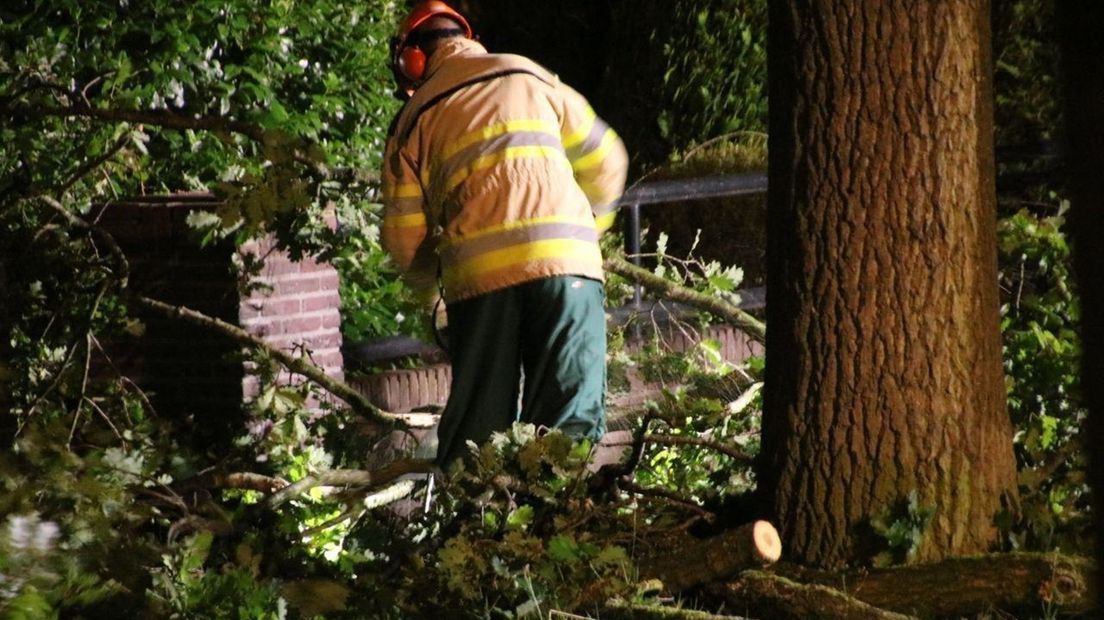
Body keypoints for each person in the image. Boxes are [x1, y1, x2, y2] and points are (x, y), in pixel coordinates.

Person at [380, 1, 628, 466]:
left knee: (480, 433)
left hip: (479, 284)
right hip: (568, 271)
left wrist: (432, 302)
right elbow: (608, 160)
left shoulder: (415, 119)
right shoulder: (528, 75)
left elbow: (404, 240)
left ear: (413, 58)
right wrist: (584, 234)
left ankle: (477, 528)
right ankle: (553, 525)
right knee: (567, 421)